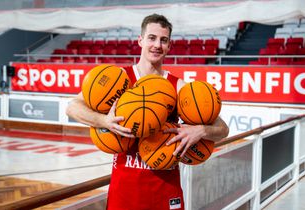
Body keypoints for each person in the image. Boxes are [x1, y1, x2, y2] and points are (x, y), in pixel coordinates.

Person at [66, 13, 229, 210]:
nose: (157, 45)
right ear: (140, 40)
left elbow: (222, 128)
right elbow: (72, 107)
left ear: (169, 46)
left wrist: (200, 131)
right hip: (125, 188)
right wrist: (103, 121)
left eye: (164, 40)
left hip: (165, 187)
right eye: (152, 38)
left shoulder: (178, 87)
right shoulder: (119, 80)